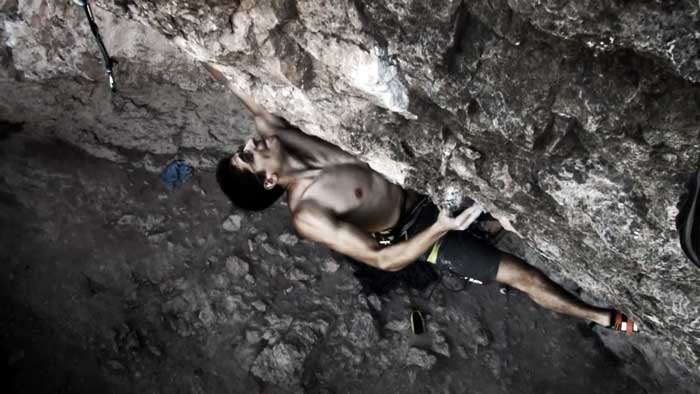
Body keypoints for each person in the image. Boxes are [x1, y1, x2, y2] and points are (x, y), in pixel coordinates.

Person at [214, 76, 638, 335]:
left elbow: (227, 75)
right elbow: (383, 261)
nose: (250, 143)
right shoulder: (307, 214)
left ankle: (486, 226)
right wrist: (441, 228)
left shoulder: (276, 134)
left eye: (241, 147)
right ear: (269, 180)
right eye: (248, 155)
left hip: (422, 179)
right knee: (522, 274)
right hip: (419, 230)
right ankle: (601, 317)